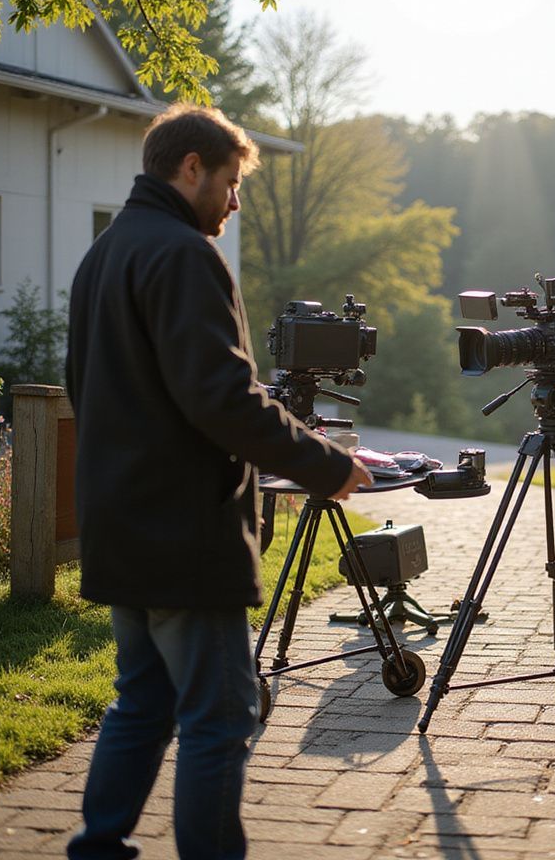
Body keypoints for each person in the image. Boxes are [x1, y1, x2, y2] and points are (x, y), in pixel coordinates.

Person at [64, 104, 372, 860]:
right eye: (231, 184)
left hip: (121, 524)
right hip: (182, 534)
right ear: (190, 168)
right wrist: (327, 466)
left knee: (142, 699)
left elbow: (83, 388)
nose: (234, 203)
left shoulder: (104, 252)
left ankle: (97, 846)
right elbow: (221, 396)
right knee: (219, 715)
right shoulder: (183, 254)